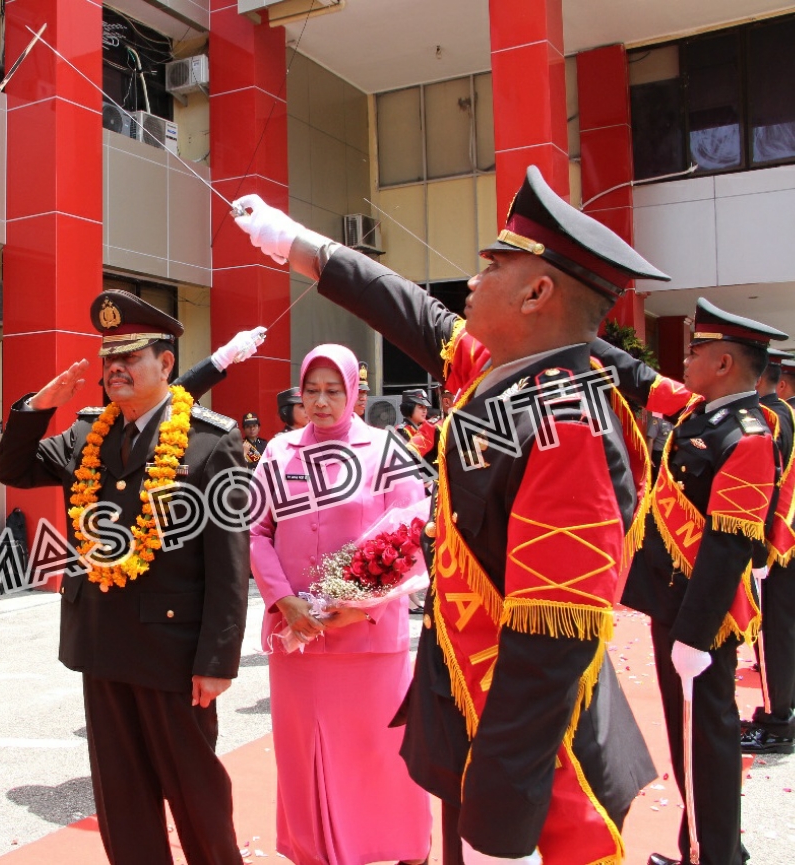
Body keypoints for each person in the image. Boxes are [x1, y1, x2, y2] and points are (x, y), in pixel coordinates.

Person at [233, 165, 662, 865]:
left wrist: (502, 825)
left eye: (493, 266)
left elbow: (549, 639)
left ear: (538, 292)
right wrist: (294, 243)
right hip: (476, 712)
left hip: (534, 761)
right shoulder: (507, 370)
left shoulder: (569, 419)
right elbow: (411, 312)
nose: (470, 281)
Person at [0, 289, 250, 865]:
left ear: (165, 364)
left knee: (196, 793)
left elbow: (229, 561)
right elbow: (12, 468)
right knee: (122, 800)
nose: (115, 368)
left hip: (174, 652)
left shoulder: (210, 441)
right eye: (110, 357)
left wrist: (217, 661)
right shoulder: (88, 434)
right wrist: (36, 407)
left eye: (130, 356)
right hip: (104, 643)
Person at [591, 299, 784, 865]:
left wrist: (695, 638)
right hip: (673, 604)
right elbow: (639, 378)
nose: (687, 358)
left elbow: (728, 547)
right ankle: (701, 845)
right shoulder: (704, 409)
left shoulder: (749, 437)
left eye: (697, 350)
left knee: (707, 743)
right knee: (688, 738)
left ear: (724, 363)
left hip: (704, 618)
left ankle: (715, 855)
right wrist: (576, 333)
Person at [251, 343, 431, 865]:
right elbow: (256, 531)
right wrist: (285, 601)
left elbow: (412, 538)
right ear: (299, 395)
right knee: (304, 757)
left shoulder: (385, 451)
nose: (323, 402)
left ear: (354, 392)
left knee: (381, 756)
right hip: (299, 642)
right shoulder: (278, 452)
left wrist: (362, 607)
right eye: (312, 391)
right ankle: (317, 853)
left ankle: (403, 850)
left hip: (370, 643)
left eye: (334, 391)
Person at [744, 348, 795, 753]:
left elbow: (766, 486)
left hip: (778, 545)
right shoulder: (788, 414)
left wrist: (757, 550)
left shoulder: (770, 418)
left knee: (774, 634)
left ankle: (778, 722)